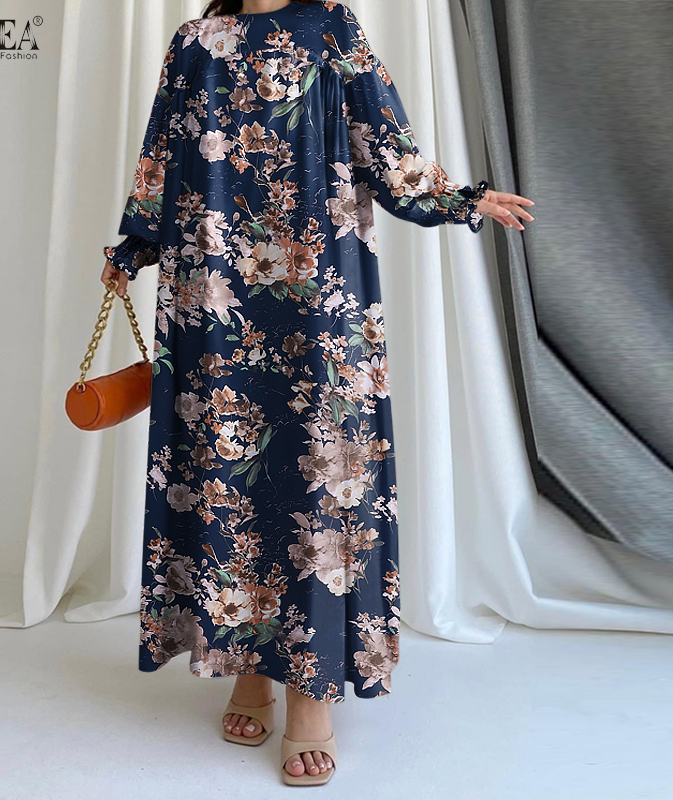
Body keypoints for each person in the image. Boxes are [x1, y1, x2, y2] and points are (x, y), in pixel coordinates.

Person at [100, 0, 533, 786]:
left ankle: (311, 691)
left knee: (317, 487)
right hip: (214, 298)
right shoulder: (194, 42)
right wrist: (133, 247)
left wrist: (463, 200)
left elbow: (386, 148)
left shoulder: (333, 27)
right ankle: (248, 665)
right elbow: (161, 157)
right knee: (232, 482)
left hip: (317, 299)